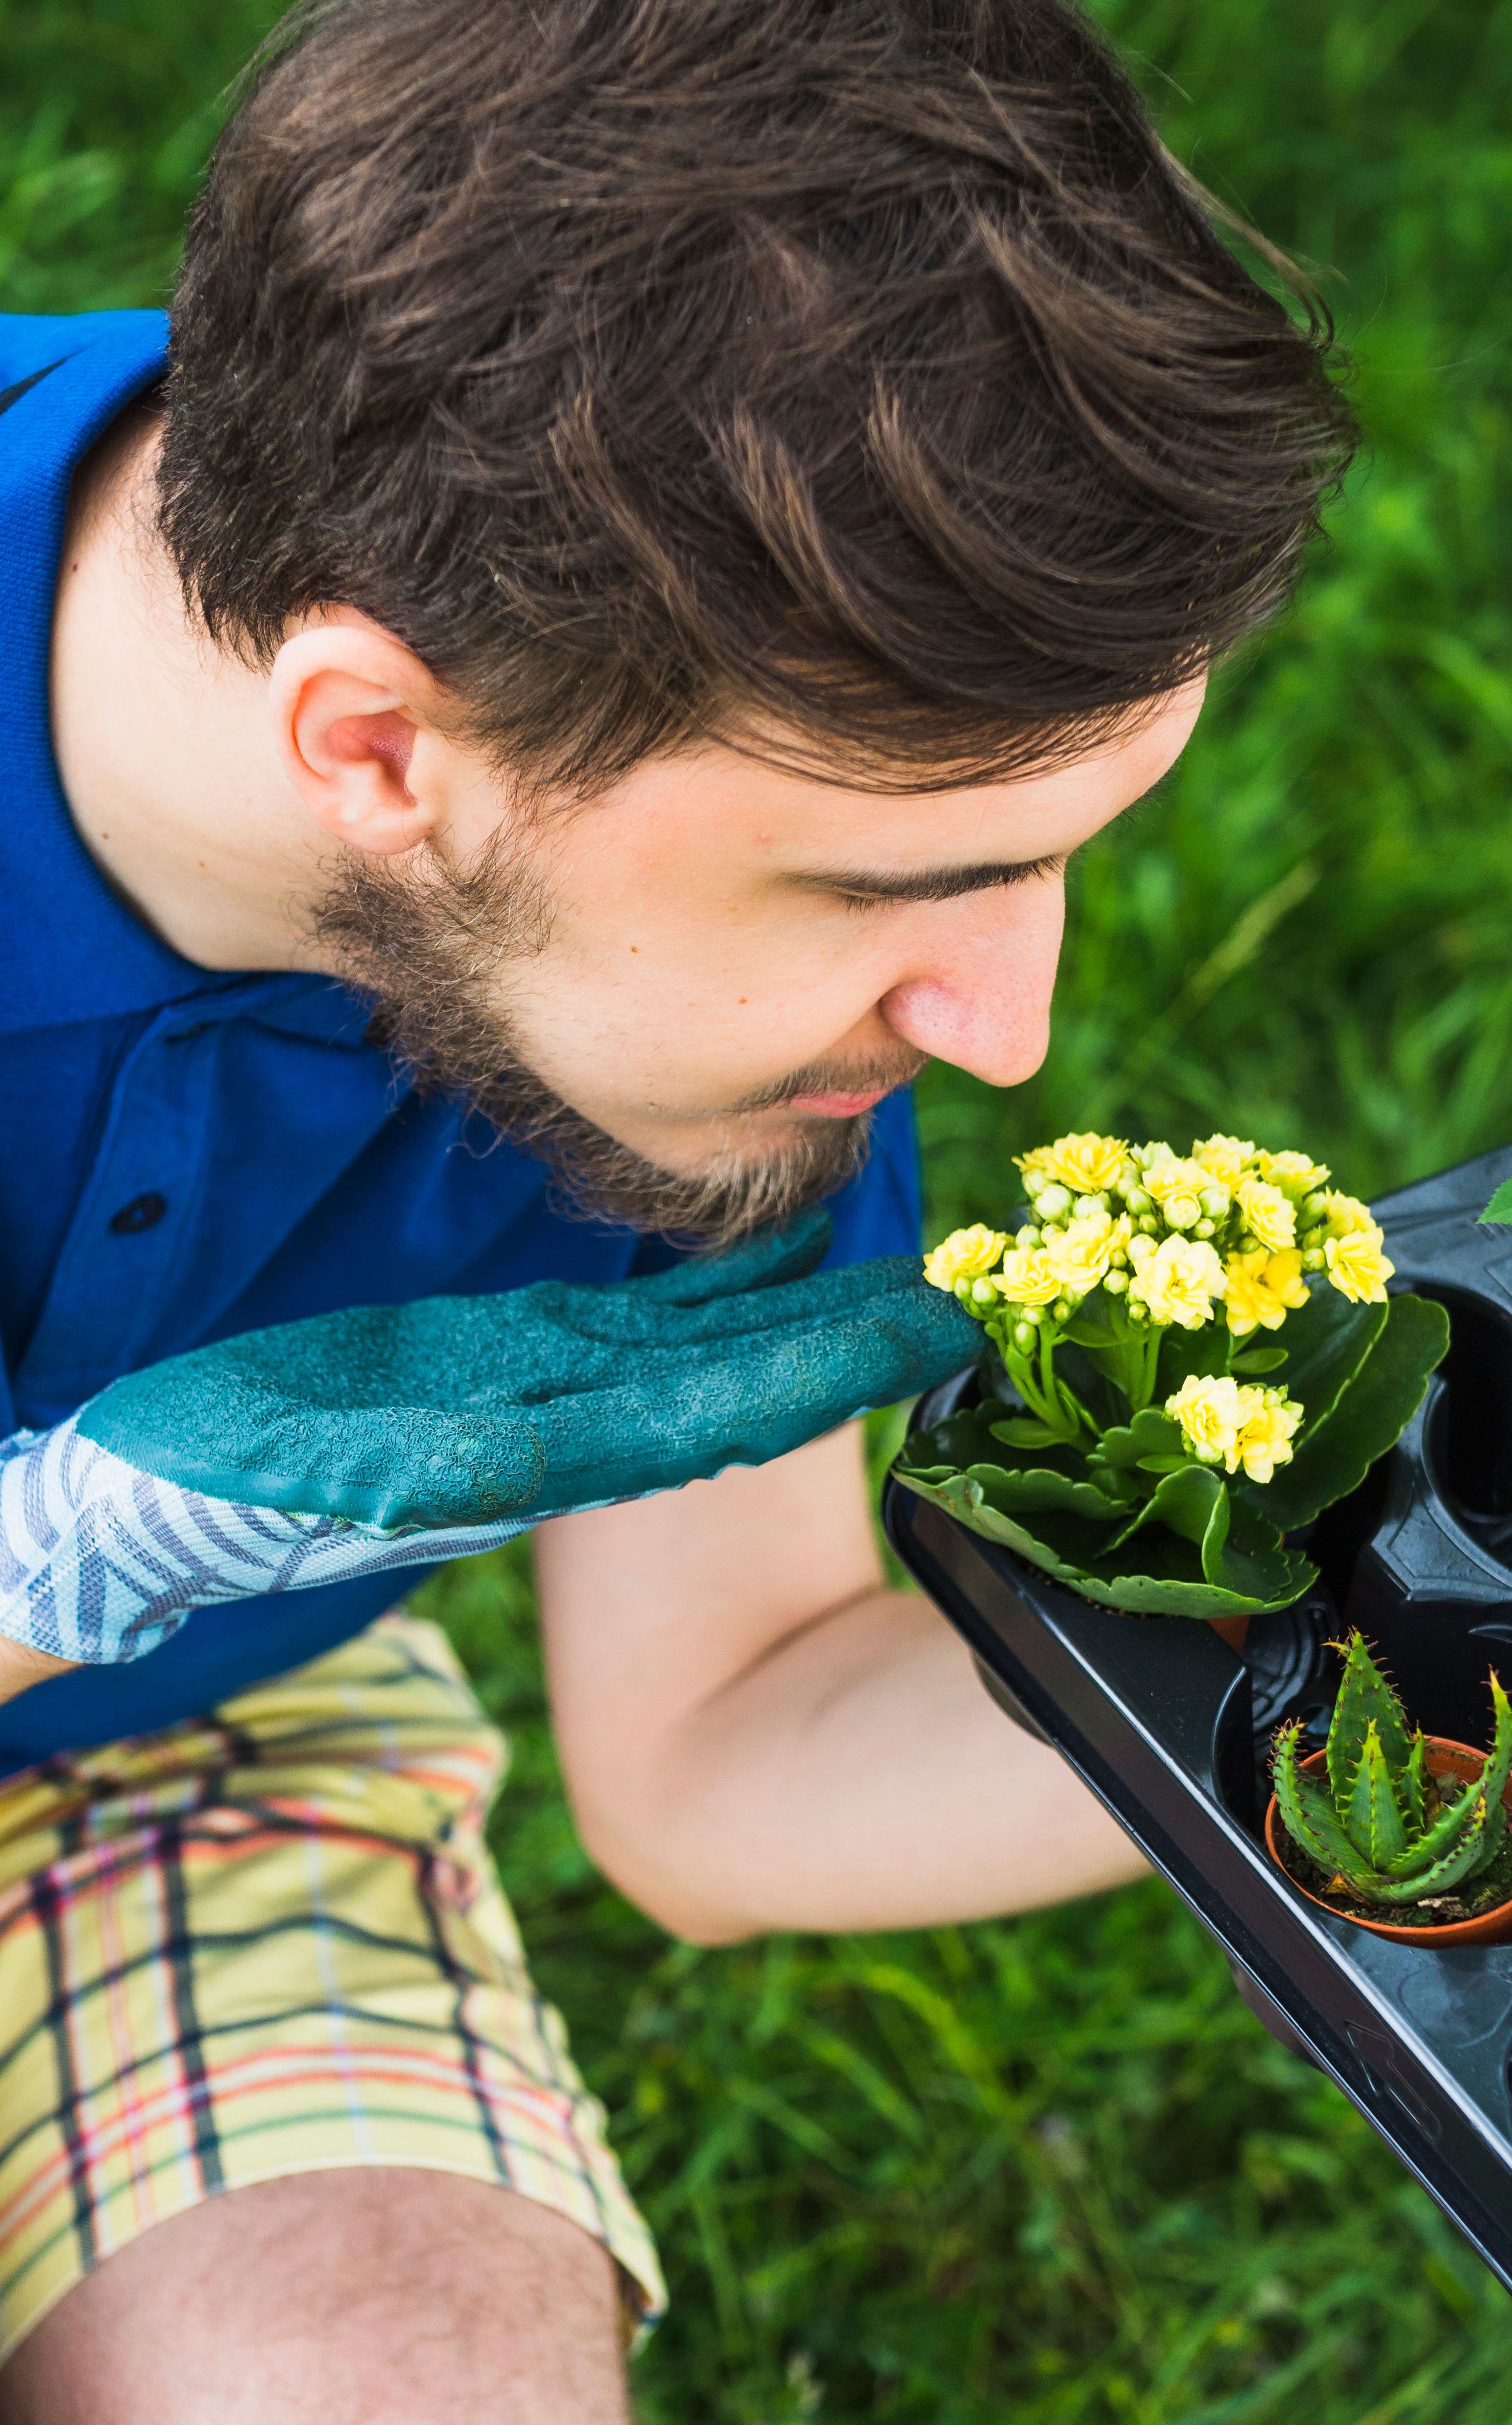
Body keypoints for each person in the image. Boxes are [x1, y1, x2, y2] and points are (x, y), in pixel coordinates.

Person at [0, 0, 1354, 2413]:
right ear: (378, 748)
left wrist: (1438, 1646)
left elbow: (723, 1749)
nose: (1008, 1030)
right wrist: (55, 1569)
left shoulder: (674, 1000)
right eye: (892, 884)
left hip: (179, 1745)